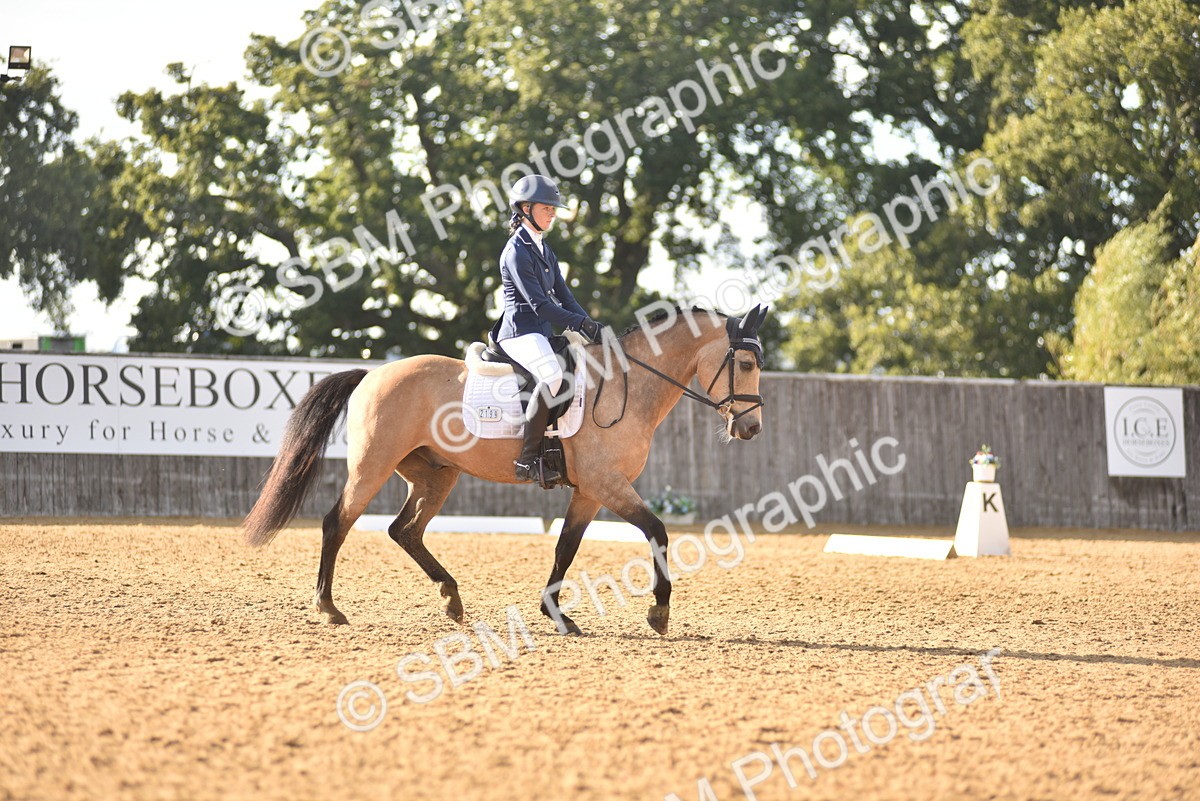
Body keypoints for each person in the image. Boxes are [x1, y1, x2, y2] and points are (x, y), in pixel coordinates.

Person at [496, 174, 605, 485]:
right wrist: (579, 324)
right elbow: (540, 305)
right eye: (547, 208)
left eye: (553, 208)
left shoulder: (544, 249)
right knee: (554, 376)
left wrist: (592, 328)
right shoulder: (516, 251)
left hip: (540, 332)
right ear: (525, 208)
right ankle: (527, 459)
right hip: (519, 332)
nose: (553, 213)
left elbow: (565, 297)